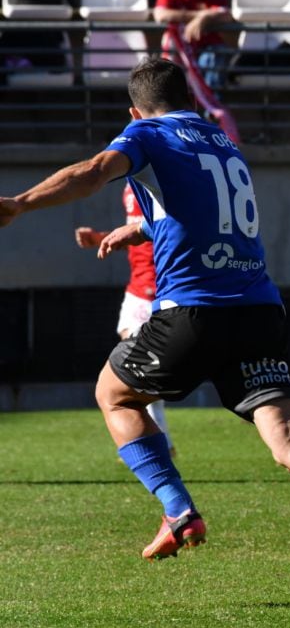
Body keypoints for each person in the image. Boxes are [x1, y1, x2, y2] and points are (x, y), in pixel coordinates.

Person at [0, 58, 290, 598]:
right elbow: (204, 210)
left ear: (135, 110)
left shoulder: (145, 133)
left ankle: (177, 510)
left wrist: (20, 204)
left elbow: (96, 170)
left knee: (114, 395)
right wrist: (138, 228)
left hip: (194, 311)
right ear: (189, 99)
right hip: (260, 311)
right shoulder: (221, 141)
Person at [74, 184, 175, 457]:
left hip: (156, 288)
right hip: (136, 287)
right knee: (138, 363)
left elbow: (168, 229)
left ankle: (158, 442)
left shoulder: (164, 180)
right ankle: (160, 440)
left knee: (139, 365)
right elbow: (137, 232)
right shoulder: (131, 185)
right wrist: (101, 238)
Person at [154, 0, 233, 90]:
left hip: (207, 48)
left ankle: (210, 108)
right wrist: (201, 15)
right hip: (179, 50)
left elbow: (226, 15)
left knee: (213, 57)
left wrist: (204, 19)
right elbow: (160, 14)